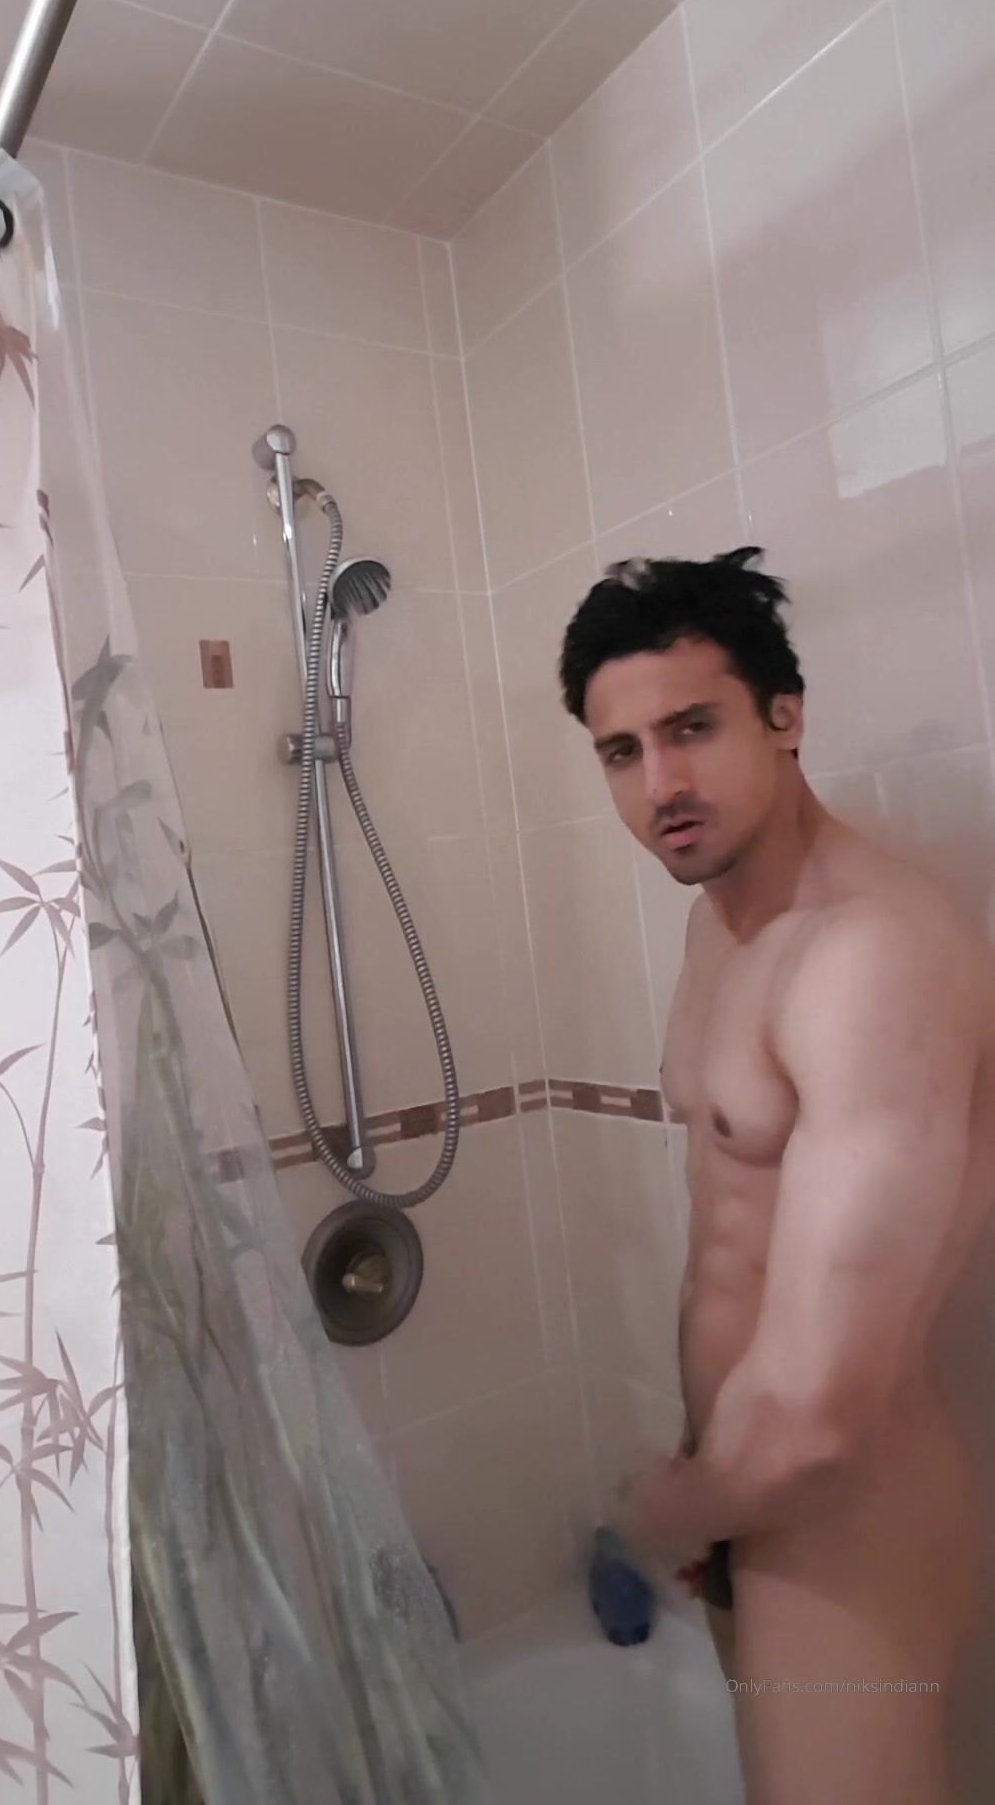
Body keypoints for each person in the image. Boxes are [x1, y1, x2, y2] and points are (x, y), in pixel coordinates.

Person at [559, 548, 995, 1805]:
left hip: (841, 1515)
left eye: (692, 728)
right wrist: (708, 1474)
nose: (661, 785)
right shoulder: (721, 923)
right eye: (622, 751)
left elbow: (818, 1411)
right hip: (749, 1490)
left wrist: (663, 1515)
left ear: (784, 717)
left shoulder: (870, 956)